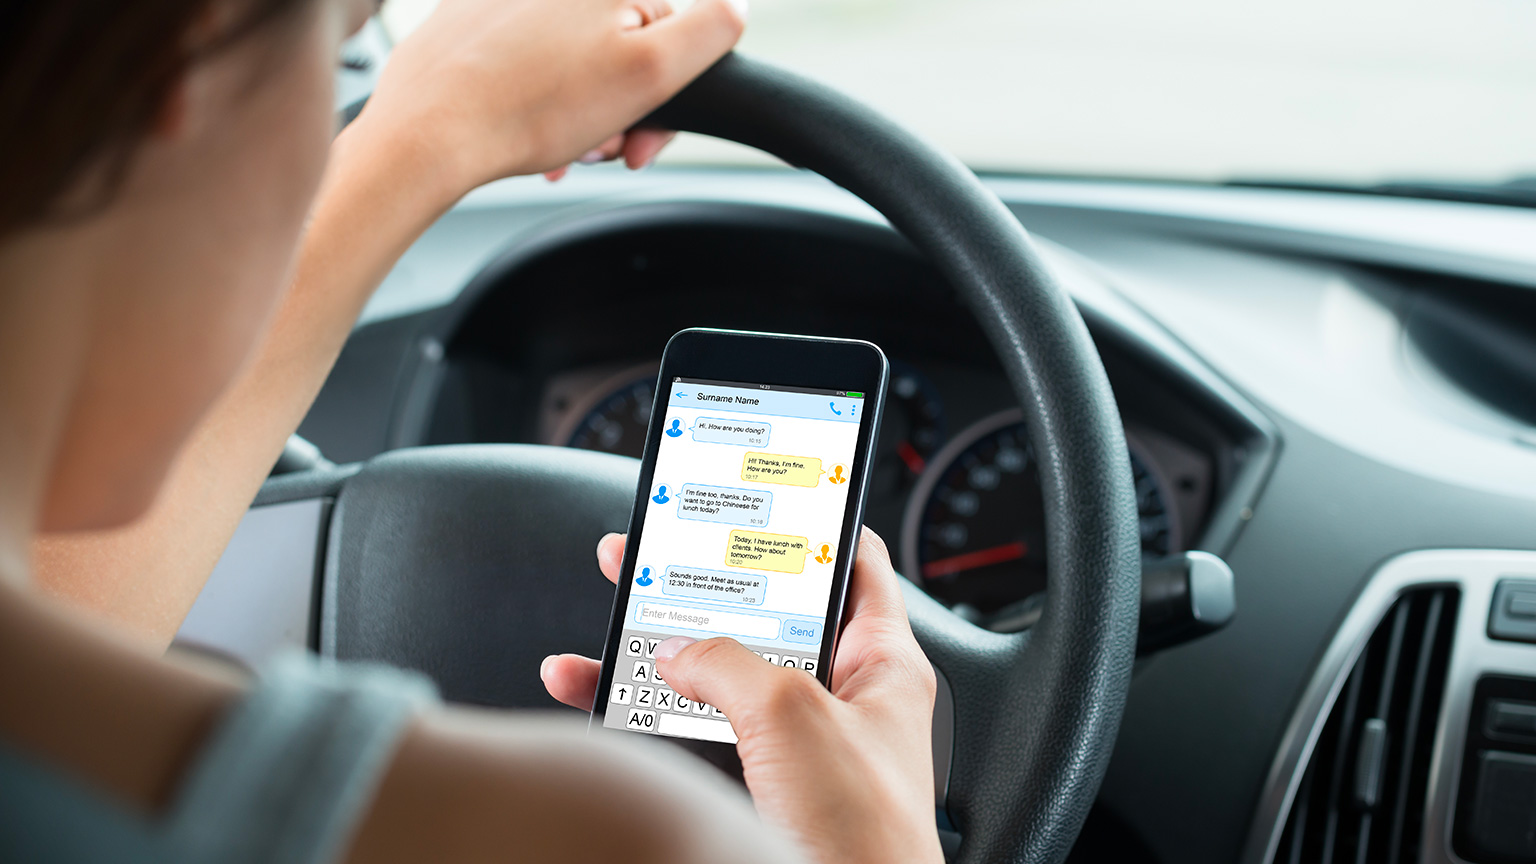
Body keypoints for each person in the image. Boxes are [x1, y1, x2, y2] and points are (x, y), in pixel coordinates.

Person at [0, 1, 945, 862]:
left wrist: (428, 132)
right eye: (340, 54)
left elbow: (60, 618)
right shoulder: (615, 834)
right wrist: (876, 841)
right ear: (189, 73)